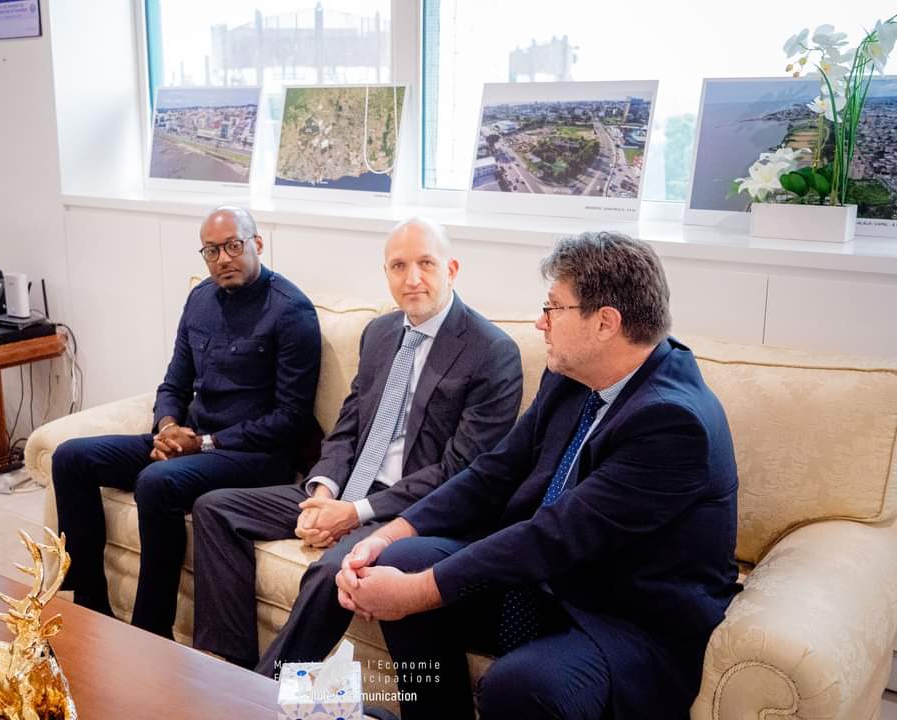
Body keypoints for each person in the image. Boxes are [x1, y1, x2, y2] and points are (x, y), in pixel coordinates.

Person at [335, 232, 741, 720]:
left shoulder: (672, 423)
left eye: (553, 308)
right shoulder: (572, 374)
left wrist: (414, 593)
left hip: (625, 614)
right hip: (550, 580)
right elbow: (496, 470)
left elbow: (555, 536)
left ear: (605, 323)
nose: (540, 322)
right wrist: (389, 533)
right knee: (401, 559)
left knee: (521, 685)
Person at [191, 218, 523, 673]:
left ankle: (262, 690)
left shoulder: (491, 352)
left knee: (333, 570)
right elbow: (347, 427)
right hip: (348, 489)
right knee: (216, 509)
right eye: (398, 266)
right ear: (386, 273)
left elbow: (459, 471)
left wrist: (354, 513)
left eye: (426, 264)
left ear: (451, 269)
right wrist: (322, 493)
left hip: (410, 511)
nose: (412, 279)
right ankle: (227, 661)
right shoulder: (380, 334)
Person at [51, 206, 321, 639]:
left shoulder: (292, 311)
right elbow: (174, 382)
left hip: (255, 455)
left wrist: (204, 443)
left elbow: (290, 419)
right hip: (192, 441)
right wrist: (167, 426)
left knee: (157, 482)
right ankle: (91, 605)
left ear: (257, 243)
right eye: (211, 251)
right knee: (71, 458)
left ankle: (150, 633)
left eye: (233, 246)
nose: (223, 259)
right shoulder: (200, 299)